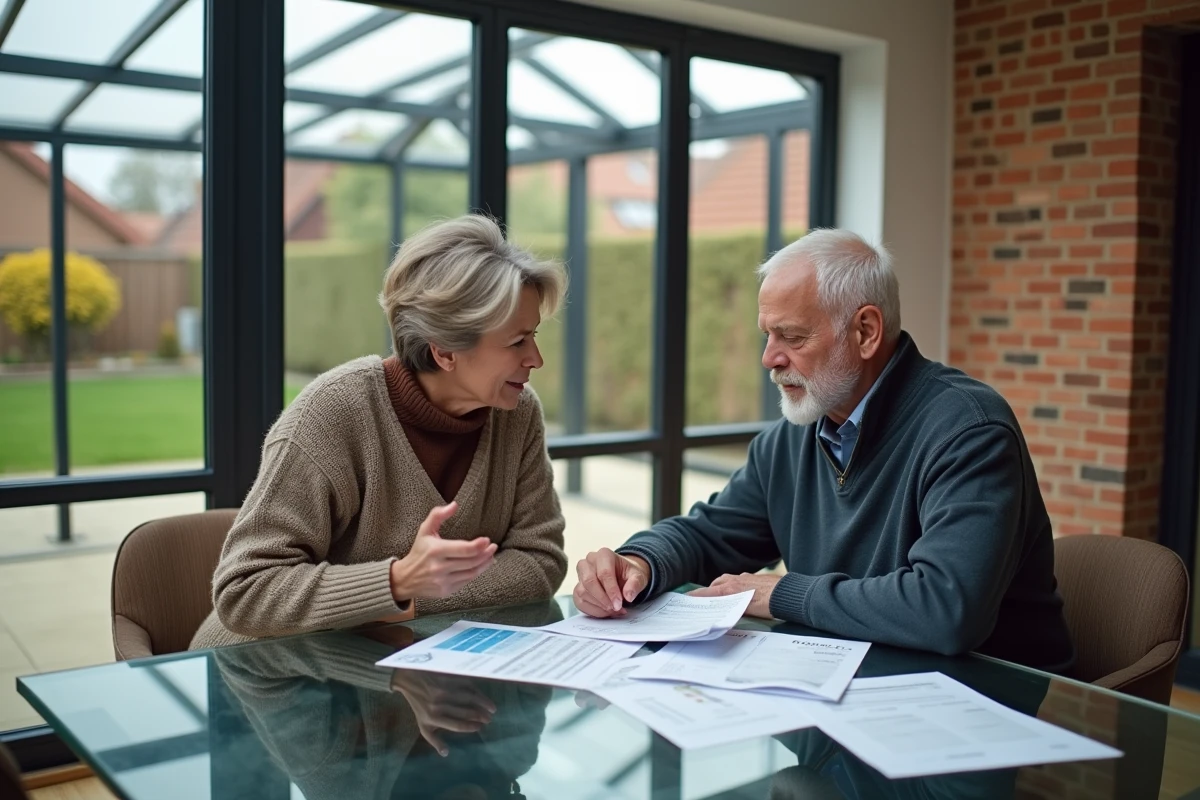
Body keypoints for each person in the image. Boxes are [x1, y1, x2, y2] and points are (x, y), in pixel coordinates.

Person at [573, 229, 1074, 671]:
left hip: (990, 712)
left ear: (866, 331)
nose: (769, 358)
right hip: (858, 691)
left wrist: (781, 593)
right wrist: (638, 562)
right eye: (768, 335)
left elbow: (946, 609)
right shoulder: (795, 436)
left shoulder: (969, 431)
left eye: (791, 336)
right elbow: (711, 536)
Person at [191, 214, 567, 650]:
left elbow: (540, 563)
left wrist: (412, 595)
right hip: (263, 680)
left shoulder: (517, 414)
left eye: (533, 336)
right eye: (516, 341)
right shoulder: (332, 413)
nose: (536, 358)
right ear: (444, 351)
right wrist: (399, 581)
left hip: (405, 666)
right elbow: (245, 593)